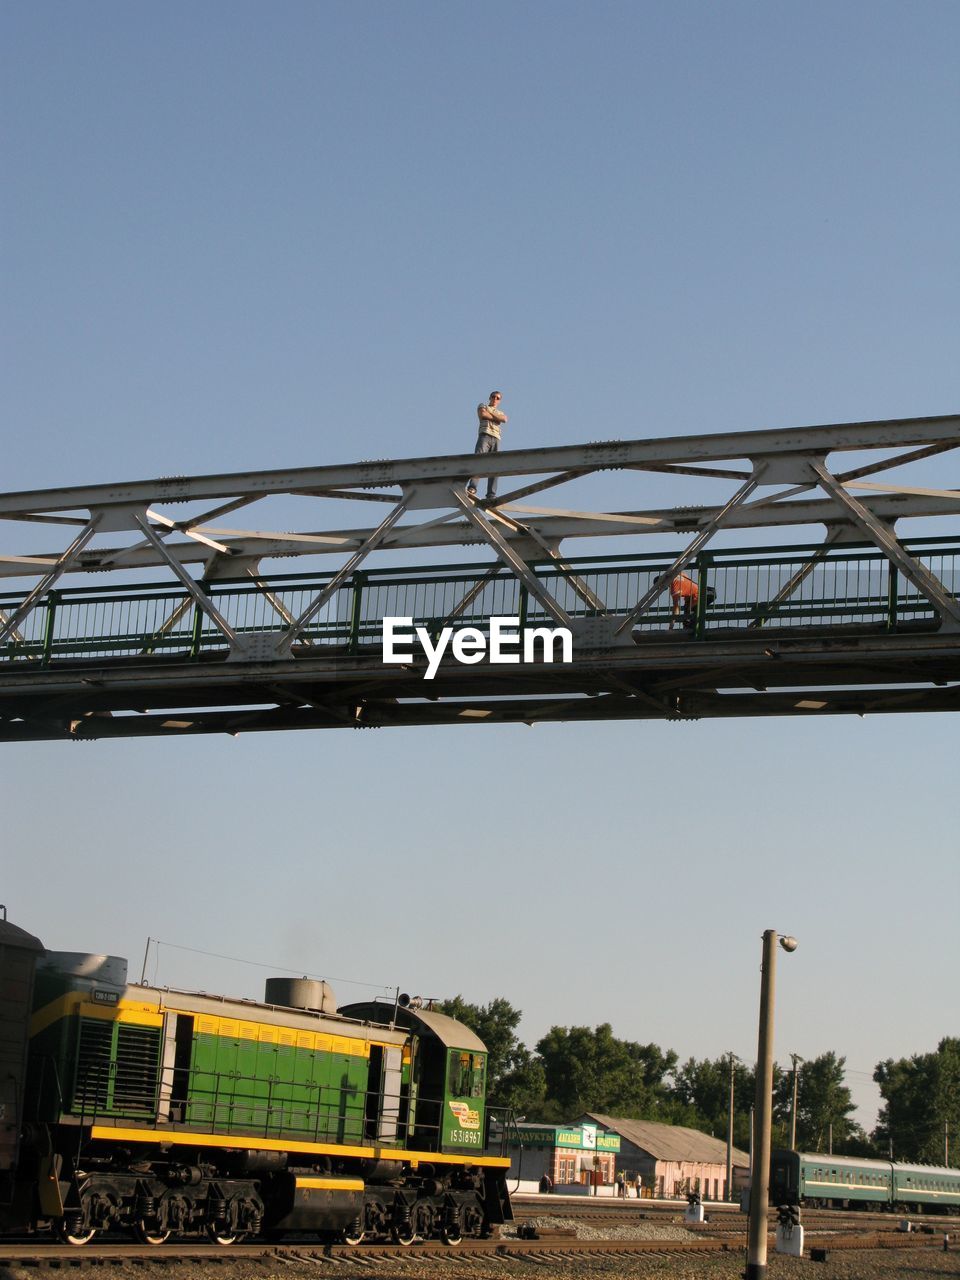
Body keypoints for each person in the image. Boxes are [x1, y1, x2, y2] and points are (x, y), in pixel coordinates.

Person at [467, 391, 508, 500]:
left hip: (496, 438)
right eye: (493, 397)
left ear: (500, 401)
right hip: (484, 435)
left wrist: (492, 414)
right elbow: (483, 414)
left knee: (495, 466)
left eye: (498, 398)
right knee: (479, 460)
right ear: (489, 398)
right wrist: (496, 418)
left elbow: (504, 419)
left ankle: (491, 494)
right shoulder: (483, 406)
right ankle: (472, 487)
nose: (495, 399)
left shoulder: (500, 412)